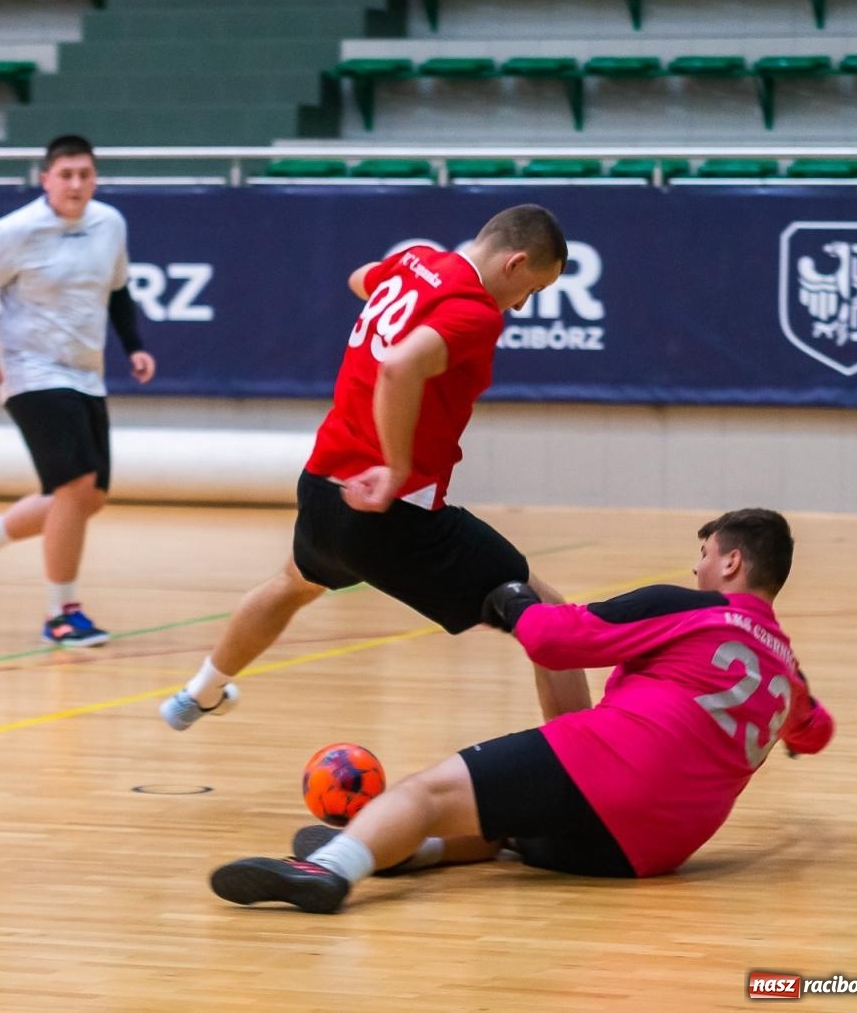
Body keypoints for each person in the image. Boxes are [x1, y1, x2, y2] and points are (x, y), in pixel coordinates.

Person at [210, 508, 835, 914]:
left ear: (731, 562)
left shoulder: (688, 607)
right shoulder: (787, 668)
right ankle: (404, 850)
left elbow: (557, 639)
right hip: (647, 854)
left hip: (613, 775)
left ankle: (330, 870)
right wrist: (783, 729)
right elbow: (815, 734)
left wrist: (510, 601)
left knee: (427, 790)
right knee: (506, 823)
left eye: (704, 555)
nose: (695, 567)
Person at [161, 204, 590, 732]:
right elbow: (399, 367)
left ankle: (198, 694)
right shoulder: (477, 310)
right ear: (515, 263)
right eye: (532, 291)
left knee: (293, 582)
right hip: (390, 515)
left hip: (322, 492)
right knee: (553, 622)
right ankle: (582, 772)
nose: (523, 305)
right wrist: (395, 466)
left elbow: (360, 279)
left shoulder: (414, 261)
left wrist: (399, 305)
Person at [0, 134, 155, 647]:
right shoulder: (14, 231)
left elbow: (119, 290)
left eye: (85, 174)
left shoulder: (110, 224)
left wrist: (134, 346)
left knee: (90, 497)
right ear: (46, 180)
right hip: (30, 371)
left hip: (86, 371)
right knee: (75, 485)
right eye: (66, 175)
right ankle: (61, 613)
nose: (77, 184)